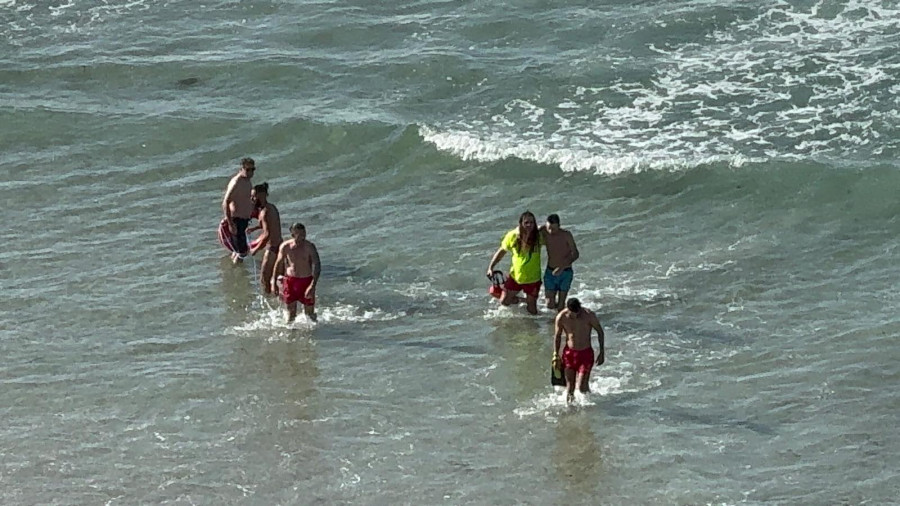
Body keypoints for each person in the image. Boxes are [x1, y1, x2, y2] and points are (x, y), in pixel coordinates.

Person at [486, 211, 544, 314]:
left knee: (532, 310)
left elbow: (553, 236)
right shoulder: (512, 236)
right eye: (526, 222)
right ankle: (524, 300)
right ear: (520, 223)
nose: (529, 225)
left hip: (533, 278)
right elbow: (501, 251)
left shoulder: (539, 236)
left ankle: (534, 328)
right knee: (504, 301)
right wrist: (491, 267)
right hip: (515, 277)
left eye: (532, 222)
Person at [552, 298, 604, 404]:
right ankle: (570, 412)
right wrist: (556, 354)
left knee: (581, 387)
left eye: (578, 312)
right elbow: (557, 336)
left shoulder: (589, 315)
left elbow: (600, 332)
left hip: (586, 354)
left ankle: (590, 407)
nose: (576, 315)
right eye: (573, 313)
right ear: (568, 309)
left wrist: (602, 352)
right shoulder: (561, 317)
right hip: (569, 354)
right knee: (570, 387)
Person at [271, 222, 321, 322]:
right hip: (291, 281)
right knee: (291, 313)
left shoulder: (309, 247)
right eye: (299, 235)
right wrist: (274, 281)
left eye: (304, 234)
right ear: (293, 235)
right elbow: (278, 263)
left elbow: (317, 265)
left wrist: (312, 285)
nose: (303, 237)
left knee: (310, 314)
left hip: (306, 281)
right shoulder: (286, 247)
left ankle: (313, 335)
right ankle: (291, 335)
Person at [248, 182, 282, 295]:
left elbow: (267, 234)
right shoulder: (271, 207)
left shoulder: (264, 212)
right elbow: (270, 225)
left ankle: (269, 303)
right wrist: (254, 228)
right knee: (278, 279)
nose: (252, 199)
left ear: (262, 195)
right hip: (280, 247)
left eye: (254, 196)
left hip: (272, 249)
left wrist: (255, 249)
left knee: (264, 280)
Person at [221, 157, 256, 264]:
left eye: (252, 169)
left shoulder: (247, 181)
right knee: (242, 252)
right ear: (241, 169)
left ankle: (234, 267)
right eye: (248, 169)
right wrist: (231, 223)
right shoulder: (236, 182)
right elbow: (225, 202)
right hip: (236, 220)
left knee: (238, 250)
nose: (250, 172)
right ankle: (237, 272)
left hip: (244, 220)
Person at [541, 214, 579, 311]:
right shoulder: (543, 231)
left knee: (561, 305)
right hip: (550, 271)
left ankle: (560, 323)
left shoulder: (566, 235)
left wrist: (562, 267)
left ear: (559, 225)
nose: (551, 231)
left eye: (553, 229)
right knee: (550, 304)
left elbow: (575, 254)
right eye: (549, 228)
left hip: (565, 272)